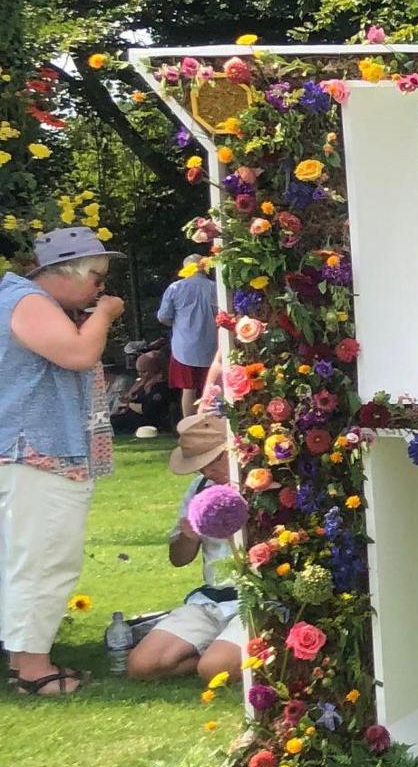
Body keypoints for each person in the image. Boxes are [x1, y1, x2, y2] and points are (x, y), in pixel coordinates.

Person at [3, 227, 124, 696]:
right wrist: (105, 316)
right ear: (63, 273)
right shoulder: (29, 301)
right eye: (96, 278)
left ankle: (25, 658)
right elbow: (77, 354)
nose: (101, 289)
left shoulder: (25, 301)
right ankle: (32, 671)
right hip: (38, 454)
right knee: (45, 559)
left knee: (29, 558)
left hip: (31, 453)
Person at [127, 412, 247, 682]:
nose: (206, 472)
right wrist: (188, 537)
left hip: (252, 597)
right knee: (141, 666)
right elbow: (179, 560)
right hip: (212, 598)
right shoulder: (199, 488)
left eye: (211, 462)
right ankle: (218, 652)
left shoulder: (261, 482)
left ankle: (219, 657)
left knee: (213, 670)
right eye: (199, 466)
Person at [154, 256, 217, 416]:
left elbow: (163, 316)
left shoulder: (175, 288)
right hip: (211, 345)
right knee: (212, 388)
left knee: (188, 389)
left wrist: (176, 323)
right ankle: (213, 429)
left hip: (184, 348)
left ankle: (189, 430)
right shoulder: (214, 287)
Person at [111, 347, 177, 435]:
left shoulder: (161, 386)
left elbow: (149, 410)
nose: (141, 375)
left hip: (149, 422)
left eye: (144, 372)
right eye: (139, 372)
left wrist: (129, 404)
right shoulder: (141, 384)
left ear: (155, 369)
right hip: (133, 416)